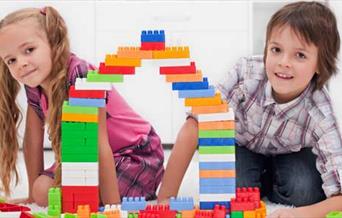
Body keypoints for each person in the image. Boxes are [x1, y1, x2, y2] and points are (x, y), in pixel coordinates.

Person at [158, 1, 342, 217]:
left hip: (290, 155)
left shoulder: (319, 110)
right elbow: (194, 126)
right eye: (276, 50)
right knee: (228, 192)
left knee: (305, 191)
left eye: (300, 55)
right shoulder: (245, 73)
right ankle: (257, 180)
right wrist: (165, 198)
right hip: (243, 147)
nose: (284, 62)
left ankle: (271, 180)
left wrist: (300, 214)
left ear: (321, 64)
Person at [0, 6, 164, 207]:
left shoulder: (80, 75)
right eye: (11, 60)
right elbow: (32, 139)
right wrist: (32, 197)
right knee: (42, 189)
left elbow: (99, 144)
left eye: (29, 50)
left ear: (52, 41)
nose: (21, 64)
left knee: (71, 198)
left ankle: (115, 195)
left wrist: (113, 207)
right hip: (92, 157)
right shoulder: (34, 85)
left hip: (135, 154)